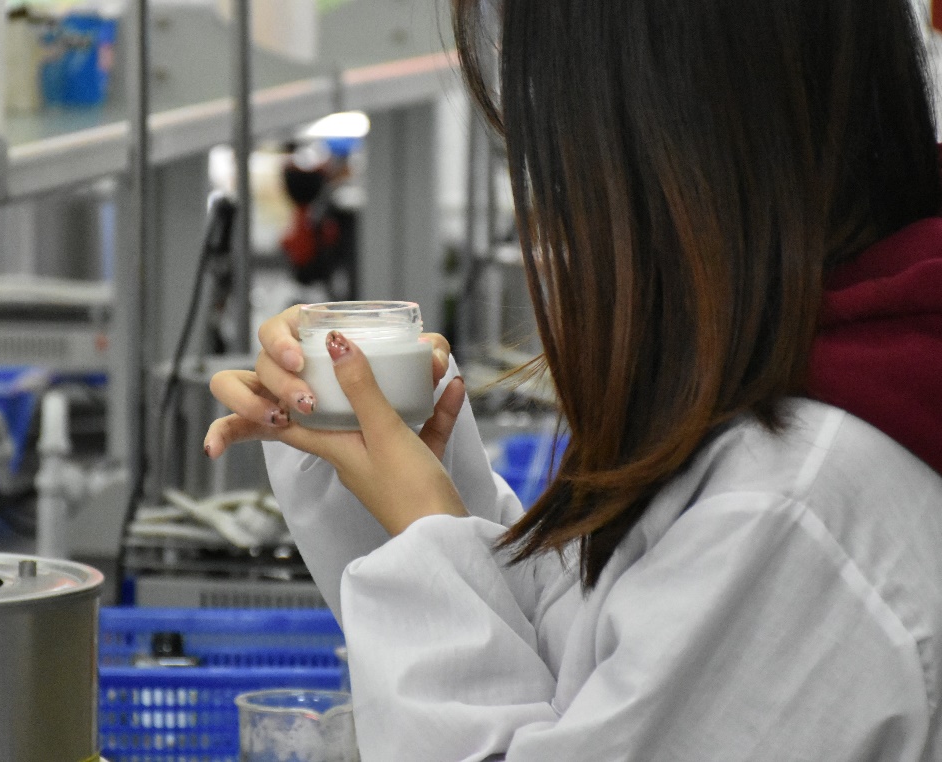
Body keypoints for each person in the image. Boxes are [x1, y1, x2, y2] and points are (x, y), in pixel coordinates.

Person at [204, 0, 942, 759]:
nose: (551, 210)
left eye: (550, 148)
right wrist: (389, 462)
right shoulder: (803, 387)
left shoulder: (789, 503)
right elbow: (571, 657)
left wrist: (426, 530)